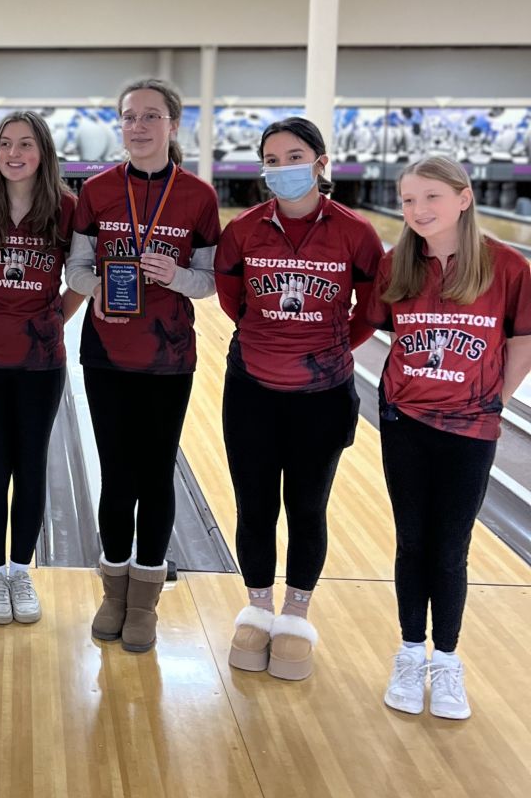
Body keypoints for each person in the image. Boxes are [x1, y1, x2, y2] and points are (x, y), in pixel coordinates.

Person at [216, 117, 383, 681]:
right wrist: (273, 340)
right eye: (272, 158)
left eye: (294, 156)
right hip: (251, 389)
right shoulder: (243, 231)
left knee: (307, 507)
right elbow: (232, 298)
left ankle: (296, 612)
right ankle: (259, 604)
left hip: (323, 394)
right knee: (255, 504)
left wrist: (327, 344)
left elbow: (372, 309)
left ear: (320, 162)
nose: (282, 168)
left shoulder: (355, 233)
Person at [367, 156, 531, 719]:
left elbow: (523, 340)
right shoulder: (397, 267)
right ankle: (411, 651)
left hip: (471, 427)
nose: (416, 210)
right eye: (408, 200)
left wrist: (496, 401)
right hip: (404, 423)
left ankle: (448, 661)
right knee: (412, 541)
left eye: (430, 197)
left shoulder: (507, 266)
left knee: (450, 547)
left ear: (464, 197)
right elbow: (369, 328)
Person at [66, 78, 220, 652]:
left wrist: (173, 276)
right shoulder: (98, 190)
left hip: (169, 358)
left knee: (155, 475)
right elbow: (75, 268)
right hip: (106, 352)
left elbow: (208, 282)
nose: (138, 126)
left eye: (151, 116)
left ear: (172, 126)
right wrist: (98, 289)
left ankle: (146, 599)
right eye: (130, 116)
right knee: (117, 476)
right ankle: (113, 590)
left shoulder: (199, 197)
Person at [0, 111, 81, 625]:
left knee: (31, 466)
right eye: (5, 144)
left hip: (40, 360)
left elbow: (81, 279)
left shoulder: (67, 208)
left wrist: (51, 317)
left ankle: (20, 570)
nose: (14, 153)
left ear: (43, 152)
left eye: (25, 144)